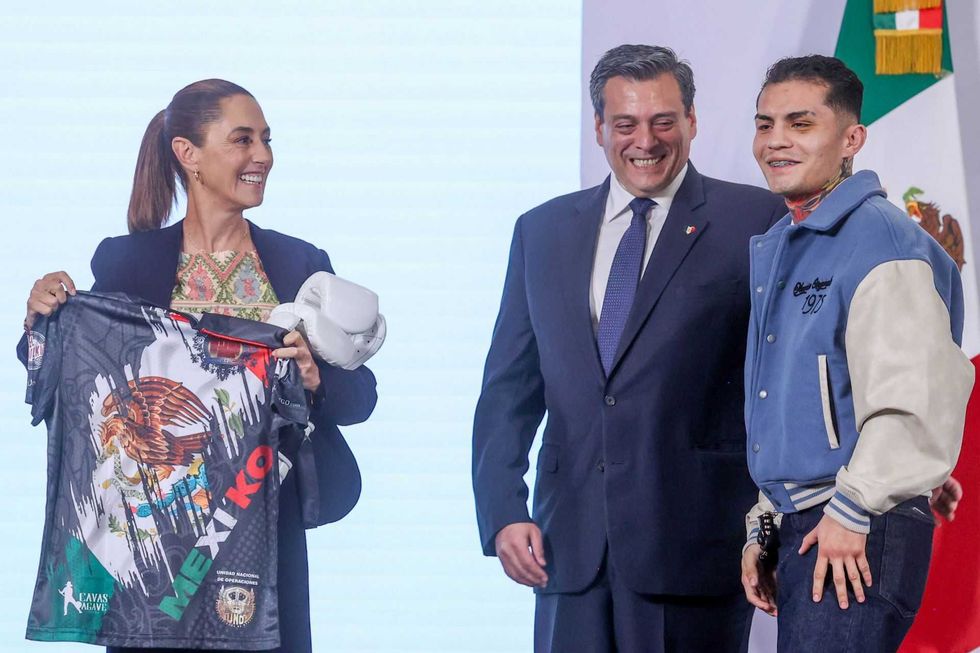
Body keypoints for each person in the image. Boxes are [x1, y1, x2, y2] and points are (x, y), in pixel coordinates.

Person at [20, 79, 377, 653]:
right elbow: (80, 373)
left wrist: (316, 379)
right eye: (242, 140)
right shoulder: (128, 261)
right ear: (189, 155)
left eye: (265, 139)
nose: (262, 155)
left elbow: (362, 399)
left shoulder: (300, 263)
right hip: (151, 545)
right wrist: (42, 318)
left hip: (265, 532)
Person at [472, 44, 788, 652]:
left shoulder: (757, 220)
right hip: (569, 547)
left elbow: (781, 377)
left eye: (663, 121)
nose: (645, 140)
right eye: (625, 124)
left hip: (694, 544)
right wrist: (504, 509)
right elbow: (509, 386)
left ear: (692, 121)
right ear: (599, 129)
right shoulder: (541, 230)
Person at [739, 55, 973, 652]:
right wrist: (763, 525)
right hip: (812, 522)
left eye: (800, 123)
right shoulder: (789, 243)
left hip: (854, 525)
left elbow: (912, 397)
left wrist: (853, 509)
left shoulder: (881, 239)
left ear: (851, 139)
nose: (776, 141)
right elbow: (789, 406)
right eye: (764, 124)